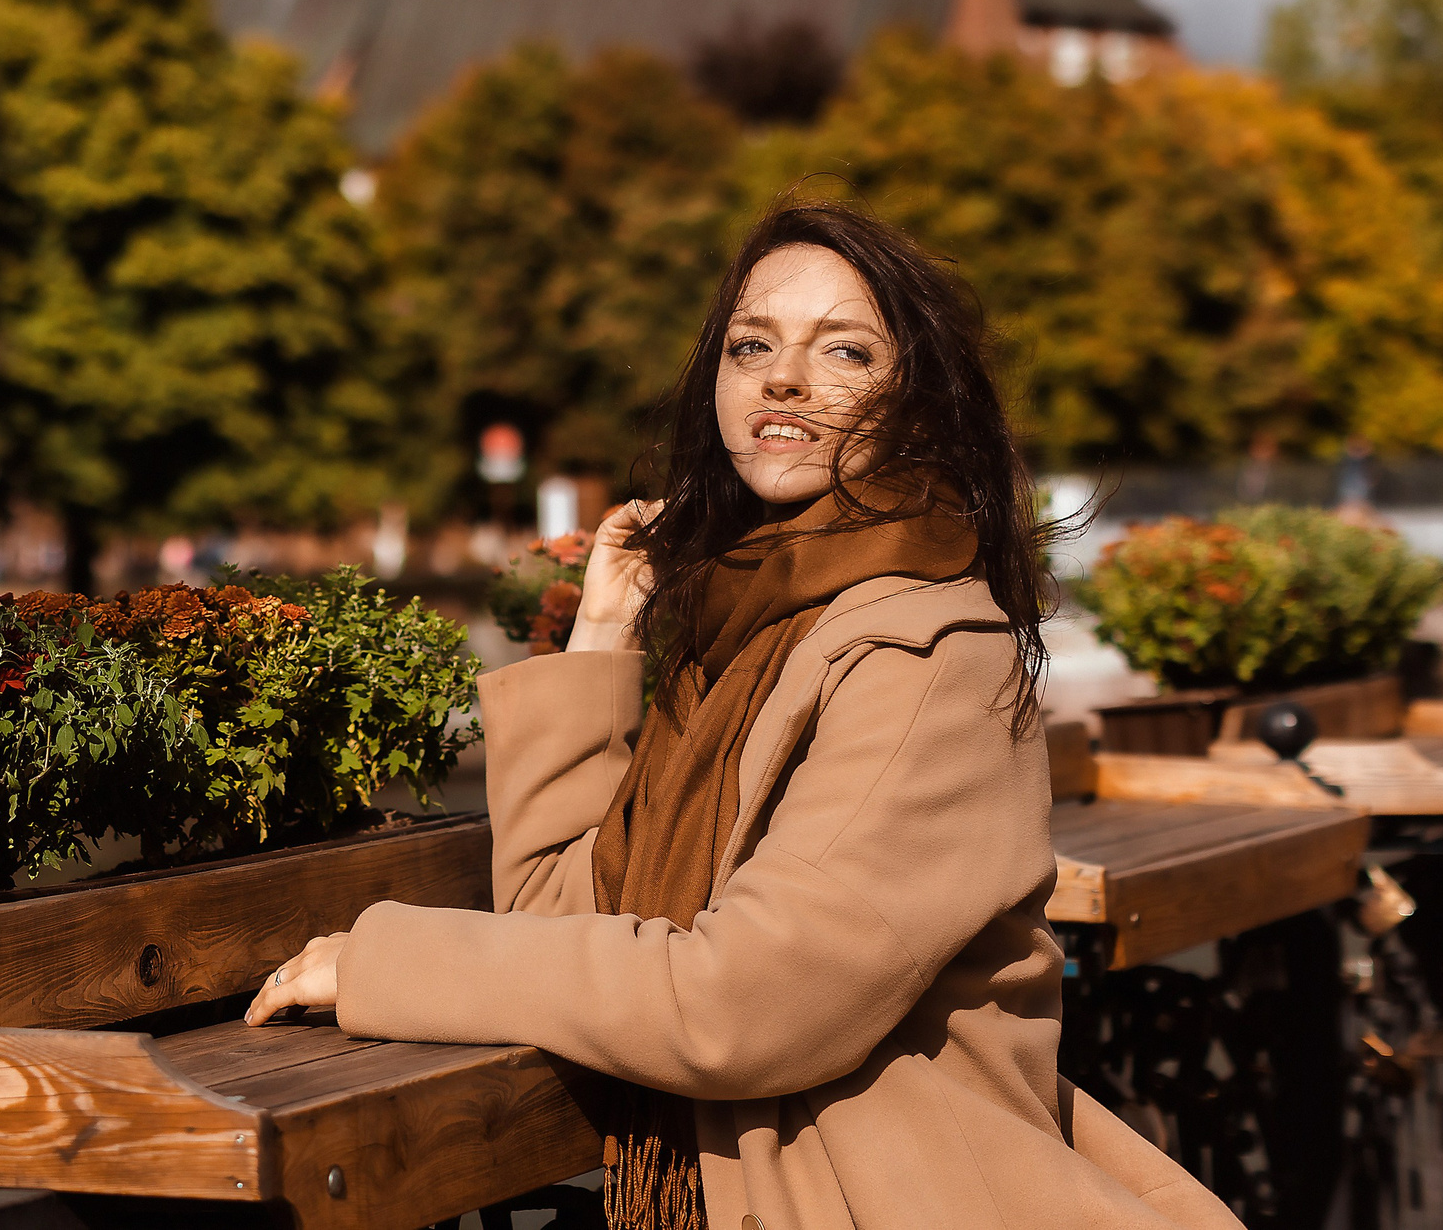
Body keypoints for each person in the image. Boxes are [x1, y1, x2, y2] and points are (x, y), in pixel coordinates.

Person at [245, 202, 1239, 1230]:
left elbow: (741, 1006)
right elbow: (557, 919)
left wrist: (383, 962)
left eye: (842, 349)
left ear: (918, 402)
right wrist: (601, 633)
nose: (782, 379)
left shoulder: (928, 654)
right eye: (750, 344)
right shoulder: (744, 626)